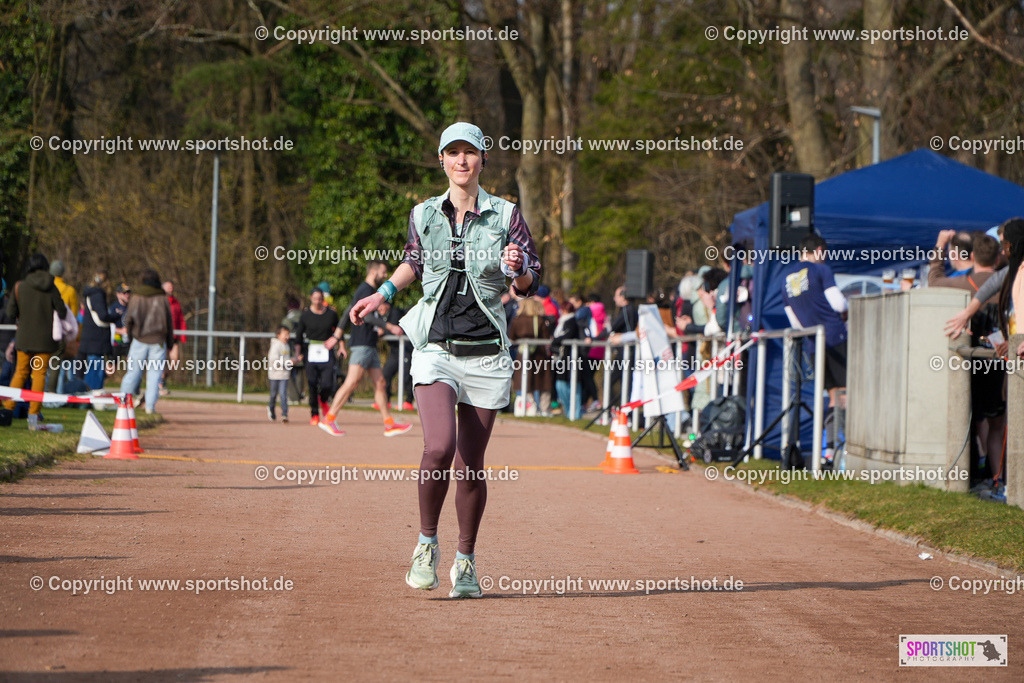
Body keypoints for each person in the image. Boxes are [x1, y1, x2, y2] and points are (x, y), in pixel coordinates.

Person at [346, 122, 539, 598]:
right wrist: (383, 293)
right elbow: (414, 259)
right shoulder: (425, 213)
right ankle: (426, 544)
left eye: (469, 153)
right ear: (441, 160)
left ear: (482, 160)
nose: (461, 160)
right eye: (452, 152)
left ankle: (466, 561)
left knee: (470, 464)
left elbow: (529, 278)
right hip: (436, 346)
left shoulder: (507, 214)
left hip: (487, 352)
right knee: (438, 447)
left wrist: (518, 270)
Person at [318, 261, 412, 437]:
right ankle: (329, 419)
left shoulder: (368, 291)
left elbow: (347, 312)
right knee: (352, 382)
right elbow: (366, 317)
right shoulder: (365, 290)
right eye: (383, 272)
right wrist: (389, 326)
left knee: (380, 383)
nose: (385, 276)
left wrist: (337, 336)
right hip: (362, 344)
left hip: (369, 344)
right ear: (374, 272)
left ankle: (389, 423)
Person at [781, 234, 848, 411]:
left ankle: (831, 439)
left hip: (813, 343)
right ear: (819, 251)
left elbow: (795, 324)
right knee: (846, 395)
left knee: (832, 395)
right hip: (835, 337)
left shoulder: (785, 278)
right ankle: (843, 438)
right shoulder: (821, 270)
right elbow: (839, 304)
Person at [3, 254, 68, 427]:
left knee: (20, 373)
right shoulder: (51, 286)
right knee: (39, 375)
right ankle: (33, 416)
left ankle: (7, 411)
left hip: (23, 338)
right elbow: (62, 311)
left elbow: (10, 314)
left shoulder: (20, 286)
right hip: (44, 341)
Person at [119, 269, 175, 414]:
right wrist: (169, 343)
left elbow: (129, 320)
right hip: (158, 341)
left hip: (139, 339)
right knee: (154, 375)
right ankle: (150, 407)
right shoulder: (162, 298)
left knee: (132, 373)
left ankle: (123, 404)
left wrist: (131, 338)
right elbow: (169, 323)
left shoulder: (136, 297)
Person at [290, 288, 341, 425]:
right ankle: (314, 414)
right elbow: (299, 336)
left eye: (320, 298)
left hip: (327, 350)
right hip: (311, 351)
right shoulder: (305, 316)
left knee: (327, 383)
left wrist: (341, 346)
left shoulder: (331, 314)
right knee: (312, 383)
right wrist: (297, 354)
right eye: (315, 298)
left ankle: (323, 400)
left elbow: (338, 331)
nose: (318, 301)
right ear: (311, 298)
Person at [508, 297, 553, 416]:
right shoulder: (539, 320)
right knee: (543, 383)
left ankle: (529, 407)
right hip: (540, 355)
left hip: (523, 355)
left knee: (525, 382)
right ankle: (544, 410)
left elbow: (511, 337)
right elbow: (547, 337)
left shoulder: (517, 320)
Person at [77, 270, 121, 390]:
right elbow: (102, 316)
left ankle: (91, 393)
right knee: (95, 368)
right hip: (96, 339)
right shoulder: (98, 295)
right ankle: (93, 394)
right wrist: (116, 316)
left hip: (90, 337)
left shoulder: (89, 294)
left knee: (93, 366)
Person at [46, 259, 78, 394]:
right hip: (63, 333)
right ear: (63, 273)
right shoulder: (70, 291)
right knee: (59, 366)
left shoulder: (45, 287)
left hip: (46, 330)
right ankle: (60, 394)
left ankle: (45, 393)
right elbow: (74, 314)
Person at [379, 299, 415, 411]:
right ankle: (386, 400)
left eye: (381, 305)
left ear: (387, 305)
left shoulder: (395, 313)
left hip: (406, 348)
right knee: (385, 374)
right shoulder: (382, 316)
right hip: (395, 350)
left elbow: (397, 330)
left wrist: (384, 331)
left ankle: (408, 401)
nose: (379, 308)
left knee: (406, 376)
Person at [551, 301, 583, 419]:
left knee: (574, 385)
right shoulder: (562, 322)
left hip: (572, 358)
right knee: (560, 385)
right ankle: (569, 410)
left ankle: (575, 413)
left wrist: (556, 340)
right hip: (562, 357)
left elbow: (568, 335)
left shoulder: (573, 321)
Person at [159, 280, 187, 396]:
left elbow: (180, 318)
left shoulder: (175, 302)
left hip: (173, 336)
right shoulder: (159, 301)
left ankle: (162, 379)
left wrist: (183, 334)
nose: (171, 288)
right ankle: (160, 384)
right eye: (168, 287)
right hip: (162, 335)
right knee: (161, 361)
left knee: (174, 360)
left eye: (172, 287)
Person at [267, 325, 291, 422]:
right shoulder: (275, 346)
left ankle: (284, 414)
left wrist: (295, 360)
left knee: (283, 394)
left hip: (284, 375)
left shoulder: (287, 346)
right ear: (278, 335)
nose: (287, 337)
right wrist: (288, 363)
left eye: (288, 334)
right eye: (285, 334)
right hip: (274, 375)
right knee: (273, 394)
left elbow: (287, 360)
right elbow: (274, 361)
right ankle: (271, 409)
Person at [109, 283, 131, 359]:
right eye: (124, 293)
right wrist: (120, 330)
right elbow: (107, 325)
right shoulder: (113, 308)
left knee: (133, 366)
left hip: (129, 342)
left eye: (128, 292)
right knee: (111, 368)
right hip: (116, 342)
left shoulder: (132, 306)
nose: (127, 295)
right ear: (118, 294)